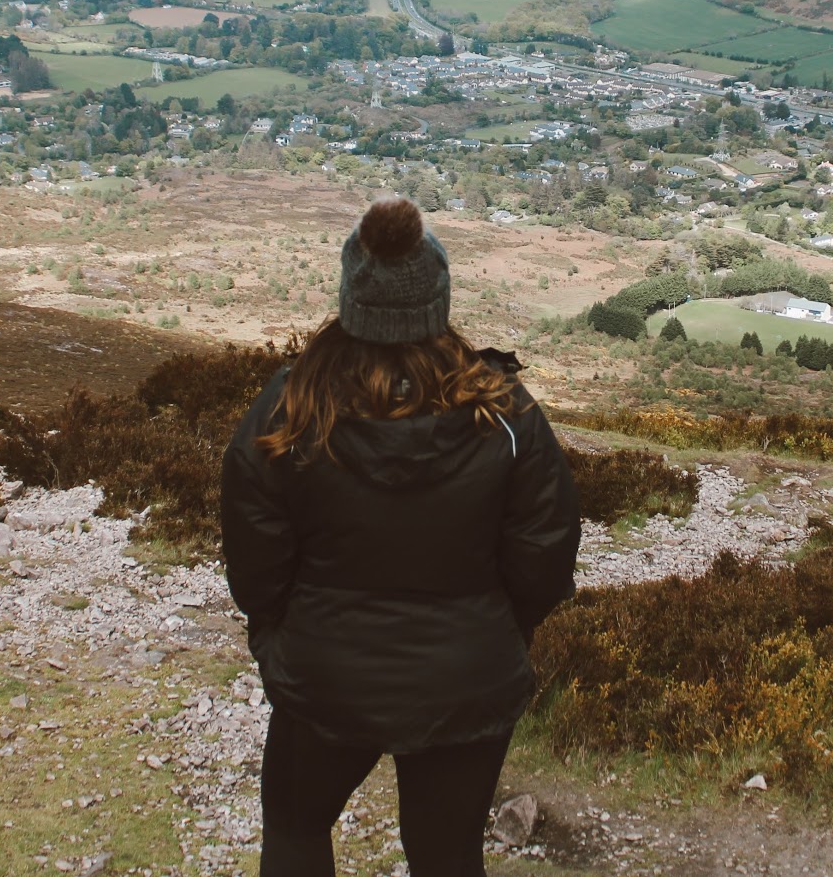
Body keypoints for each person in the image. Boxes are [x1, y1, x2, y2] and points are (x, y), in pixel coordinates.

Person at [222, 196, 581, 877]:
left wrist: (277, 642)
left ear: (350, 298)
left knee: (296, 831)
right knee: (446, 855)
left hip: (325, 672)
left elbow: (254, 555)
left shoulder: (288, 408)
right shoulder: (505, 414)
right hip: (465, 673)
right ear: (436, 301)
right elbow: (545, 552)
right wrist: (497, 633)